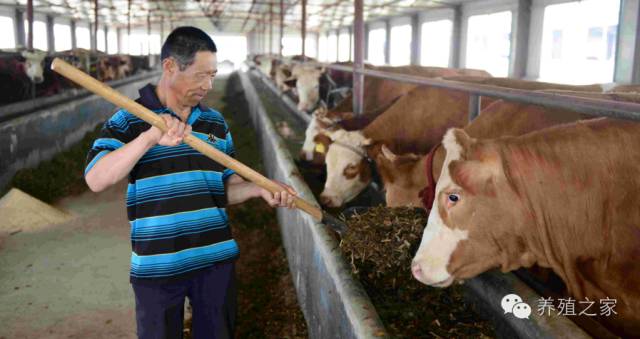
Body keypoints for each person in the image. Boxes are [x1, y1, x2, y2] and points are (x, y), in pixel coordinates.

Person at [84, 26, 297, 339]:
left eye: (212, 75)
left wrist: (257, 189)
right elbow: (96, 179)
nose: (208, 85)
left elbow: (220, 189)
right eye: (200, 75)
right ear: (170, 67)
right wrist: (150, 137)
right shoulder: (128, 119)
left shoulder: (214, 124)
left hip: (215, 260)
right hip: (157, 265)